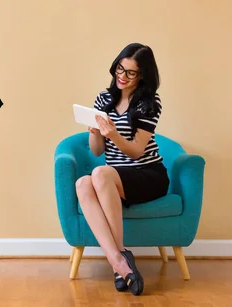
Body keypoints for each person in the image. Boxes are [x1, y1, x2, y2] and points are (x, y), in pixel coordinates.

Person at [75, 42, 169, 296]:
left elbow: (137, 151)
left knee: (100, 173)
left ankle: (120, 265)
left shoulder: (149, 103)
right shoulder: (104, 99)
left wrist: (114, 135)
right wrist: (95, 133)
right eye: (120, 69)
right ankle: (119, 262)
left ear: (143, 76)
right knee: (82, 184)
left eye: (131, 72)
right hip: (115, 176)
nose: (122, 76)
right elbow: (96, 151)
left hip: (148, 174)